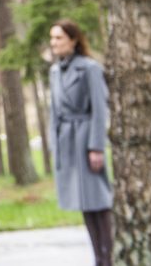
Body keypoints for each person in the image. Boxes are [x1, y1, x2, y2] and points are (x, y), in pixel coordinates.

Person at [48, 19, 113, 266]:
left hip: (86, 140)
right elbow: (53, 111)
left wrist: (96, 147)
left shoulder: (90, 68)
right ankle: (97, 257)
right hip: (67, 141)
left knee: (98, 200)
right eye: (52, 38)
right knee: (83, 202)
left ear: (73, 40)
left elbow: (99, 109)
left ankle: (107, 257)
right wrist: (55, 144)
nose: (54, 43)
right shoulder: (55, 71)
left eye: (59, 38)